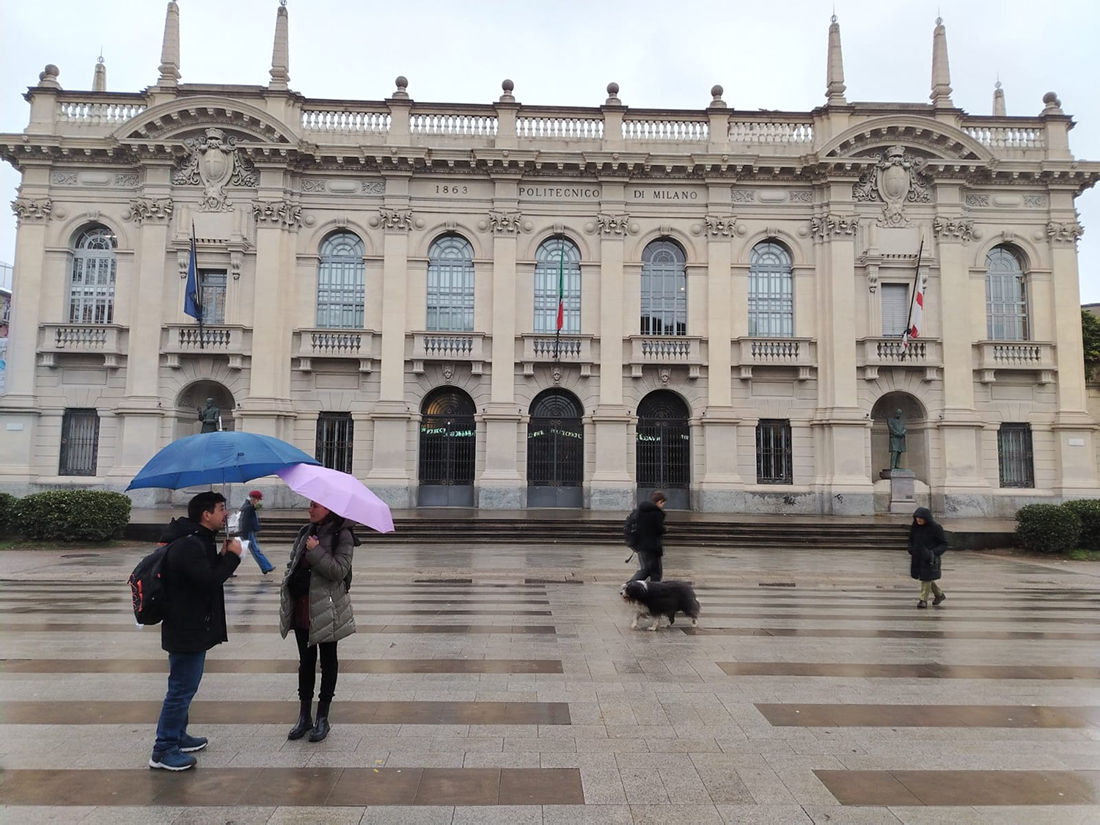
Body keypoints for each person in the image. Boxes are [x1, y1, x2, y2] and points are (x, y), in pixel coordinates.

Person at [150, 492, 243, 771]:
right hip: (185, 627)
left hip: (190, 625)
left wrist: (222, 555)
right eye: (221, 509)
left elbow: (203, 573)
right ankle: (163, 749)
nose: (225, 514)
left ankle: (178, 734)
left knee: (185, 687)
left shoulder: (197, 540)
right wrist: (233, 559)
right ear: (206, 514)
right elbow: (209, 580)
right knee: (180, 689)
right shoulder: (189, 544)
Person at [279, 500, 357, 743]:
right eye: (310, 505)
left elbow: (339, 571)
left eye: (315, 506)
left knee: (328, 661)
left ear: (330, 508)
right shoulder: (306, 531)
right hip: (303, 607)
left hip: (327, 609)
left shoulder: (343, 535)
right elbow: (293, 563)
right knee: (305, 662)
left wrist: (316, 552)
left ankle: (323, 716)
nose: (310, 509)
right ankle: (304, 716)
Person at [908, 506, 947, 609]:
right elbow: (911, 539)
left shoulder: (936, 528)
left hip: (930, 558)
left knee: (926, 578)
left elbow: (944, 543)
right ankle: (939, 595)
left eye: (921, 518)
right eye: (917, 518)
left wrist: (933, 553)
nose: (919, 520)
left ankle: (923, 600)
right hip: (917, 556)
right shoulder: (915, 527)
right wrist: (911, 549)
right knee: (926, 578)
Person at [629, 490, 667, 583]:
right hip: (652, 546)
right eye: (663, 503)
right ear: (659, 501)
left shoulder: (641, 511)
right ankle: (629, 585)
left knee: (647, 569)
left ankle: (632, 585)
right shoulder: (657, 513)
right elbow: (657, 529)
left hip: (641, 545)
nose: (663, 506)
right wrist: (664, 530)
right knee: (654, 572)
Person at [239, 490, 274, 575]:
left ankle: (266, 567)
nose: (258, 501)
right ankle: (266, 567)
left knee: (246, 551)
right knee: (253, 550)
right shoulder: (248, 507)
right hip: (247, 532)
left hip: (247, 532)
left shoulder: (248, 506)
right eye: (258, 499)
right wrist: (245, 535)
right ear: (254, 499)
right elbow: (245, 522)